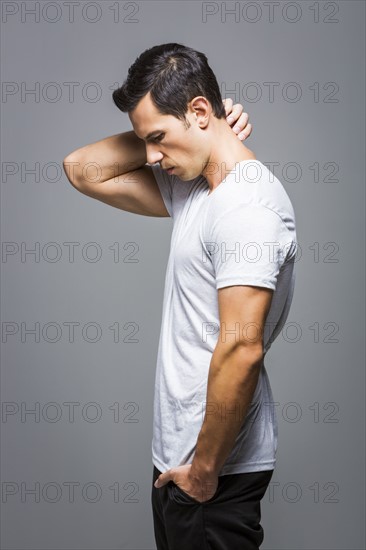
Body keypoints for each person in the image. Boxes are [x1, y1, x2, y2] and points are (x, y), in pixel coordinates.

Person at [63, 43, 298, 550]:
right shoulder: (195, 190)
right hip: (178, 459)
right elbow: (82, 167)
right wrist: (184, 127)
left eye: (158, 138)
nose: (151, 156)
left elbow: (242, 348)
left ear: (197, 112)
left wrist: (206, 471)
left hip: (213, 469)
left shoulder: (246, 209)